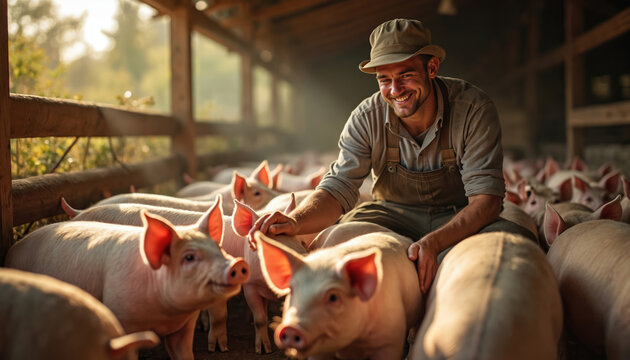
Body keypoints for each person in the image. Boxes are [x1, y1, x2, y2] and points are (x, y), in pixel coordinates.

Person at [251, 19, 534, 293]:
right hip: (390, 213)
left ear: (432, 68)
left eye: (406, 76)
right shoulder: (366, 117)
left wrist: (434, 243)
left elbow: (486, 201)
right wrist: (295, 221)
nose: (395, 90)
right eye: (384, 80)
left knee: (517, 248)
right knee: (333, 242)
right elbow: (337, 189)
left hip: (459, 214)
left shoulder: (473, 108)